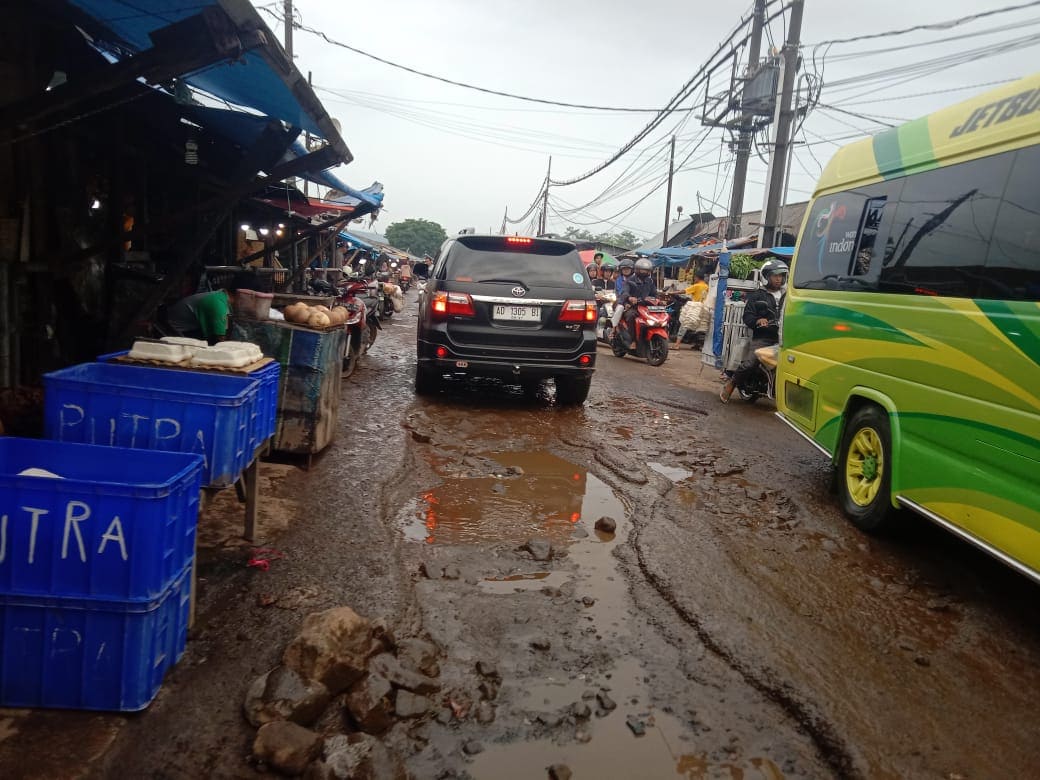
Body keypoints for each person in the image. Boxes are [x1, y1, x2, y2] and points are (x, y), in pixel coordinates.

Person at [720, 259, 788, 403]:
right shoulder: (758, 295)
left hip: (783, 337)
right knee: (751, 362)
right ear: (766, 277)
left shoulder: (787, 296)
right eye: (775, 275)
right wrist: (758, 321)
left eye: (781, 276)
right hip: (763, 338)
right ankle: (731, 384)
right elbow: (748, 316)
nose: (778, 279)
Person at [166, 284, 236, 344]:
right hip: (178, 330)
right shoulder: (217, 303)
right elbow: (220, 338)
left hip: (192, 325)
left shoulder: (222, 296)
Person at [617, 258, 658, 345]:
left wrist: (659, 300)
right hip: (633, 306)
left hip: (646, 307)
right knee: (631, 316)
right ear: (637, 270)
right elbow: (624, 292)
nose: (644, 272)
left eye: (646, 270)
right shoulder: (630, 280)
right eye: (642, 270)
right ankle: (633, 340)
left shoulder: (650, 281)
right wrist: (629, 298)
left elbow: (654, 293)